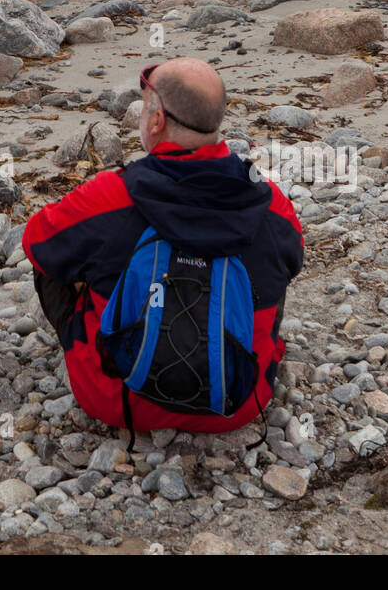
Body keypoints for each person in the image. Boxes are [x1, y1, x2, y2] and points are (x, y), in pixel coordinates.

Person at [23, 57, 303, 435]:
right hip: (238, 404)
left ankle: (104, 348)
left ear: (156, 122)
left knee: (60, 253)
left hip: (118, 400)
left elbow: (36, 242)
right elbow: (292, 263)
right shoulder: (272, 204)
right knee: (270, 265)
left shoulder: (110, 195)